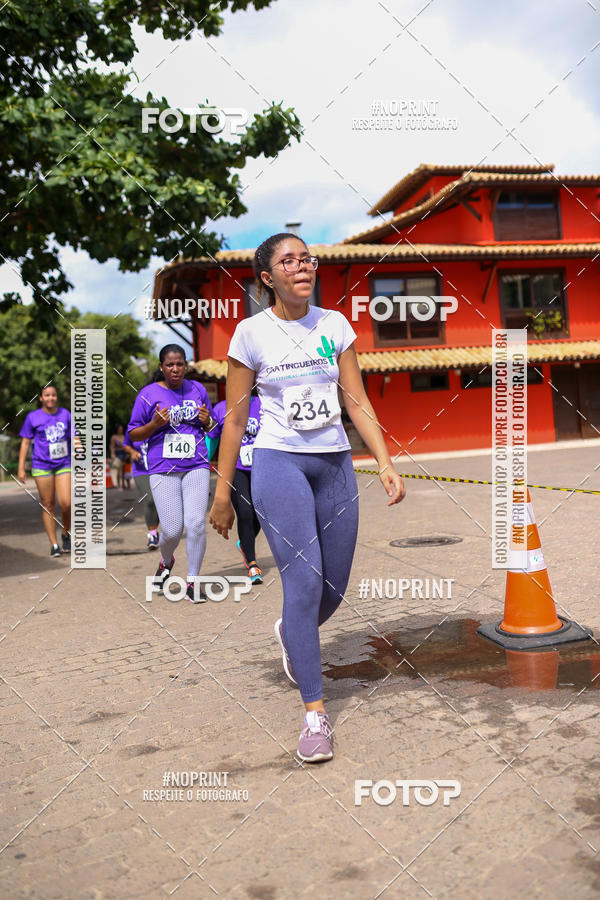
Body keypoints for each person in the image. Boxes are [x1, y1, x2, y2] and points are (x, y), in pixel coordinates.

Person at [209, 232, 405, 763]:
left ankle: (292, 634)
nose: (303, 266)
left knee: (333, 588)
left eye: (307, 258)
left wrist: (384, 461)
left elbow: (356, 400)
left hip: (335, 464)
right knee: (302, 582)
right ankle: (314, 713)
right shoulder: (250, 334)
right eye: (288, 260)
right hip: (279, 463)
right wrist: (224, 493)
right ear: (267, 277)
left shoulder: (334, 324)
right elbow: (235, 418)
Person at [127, 344, 217, 603]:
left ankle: (193, 583)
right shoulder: (148, 394)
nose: (175, 369)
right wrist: (154, 424)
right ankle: (166, 562)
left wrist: (206, 420)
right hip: (163, 468)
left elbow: (211, 425)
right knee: (172, 530)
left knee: (197, 524)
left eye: (179, 364)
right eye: (169, 365)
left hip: (196, 464)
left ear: (185, 365)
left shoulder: (197, 389)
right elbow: (133, 433)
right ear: (161, 367)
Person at [206, 393, 263, 584]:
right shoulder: (222, 408)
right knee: (245, 512)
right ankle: (252, 563)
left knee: (261, 514)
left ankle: (245, 543)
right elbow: (212, 438)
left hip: (263, 466)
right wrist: (202, 465)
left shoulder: (265, 403)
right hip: (236, 468)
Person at [17, 385, 72, 557]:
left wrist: (79, 447)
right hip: (42, 465)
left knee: (66, 503)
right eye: (46, 395)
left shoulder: (65, 414)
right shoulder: (33, 417)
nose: (50, 398)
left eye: (53, 395)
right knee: (47, 504)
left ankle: (65, 533)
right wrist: (20, 468)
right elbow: (25, 442)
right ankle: (54, 544)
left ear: (57, 397)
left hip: (64, 463)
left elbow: (74, 436)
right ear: (41, 398)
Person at [122, 432, 160, 550]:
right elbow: (126, 445)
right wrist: (132, 452)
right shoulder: (135, 426)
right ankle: (152, 535)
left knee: (160, 501)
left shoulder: (160, 423)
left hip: (159, 468)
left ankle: (155, 530)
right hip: (141, 471)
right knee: (149, 499)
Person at [110, 424, 127, 490]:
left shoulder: (123, 436)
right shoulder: (114, 437)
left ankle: (123, 484)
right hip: (118, 453)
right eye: (120, 429)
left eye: (121, 429)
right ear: (117, 430)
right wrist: (112, 453)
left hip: (124, 453)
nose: (121, 430)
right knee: (119, 470)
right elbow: (112, 446)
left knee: (123, 470)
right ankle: (119, 485)